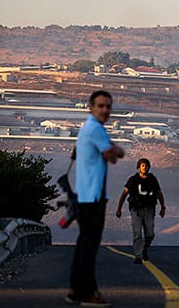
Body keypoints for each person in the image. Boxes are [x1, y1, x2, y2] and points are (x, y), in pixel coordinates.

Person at [66, 90, 125, 307]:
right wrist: (116, 149)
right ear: (91, 107)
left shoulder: (87, 128)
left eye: (108, 106)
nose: (105, 110)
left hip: (85, 195)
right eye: (100, 106)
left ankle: (75, 289)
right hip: (93, 198)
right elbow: (114, 156)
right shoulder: (95, 129)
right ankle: (88, 293)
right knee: (90, 247)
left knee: (83, 245)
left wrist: (113, 151)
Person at [116, 157, 165, 264]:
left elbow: (159, 193)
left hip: (149, 209)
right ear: (139, 167)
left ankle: (144, 250)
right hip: (136, 210)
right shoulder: (133, 180)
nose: (145, 167)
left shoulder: (152, 179)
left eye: (146, 165)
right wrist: (119, 209)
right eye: (142, 165)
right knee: (137, 233)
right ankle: (138, 256)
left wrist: (163, 207)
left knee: (150, 234)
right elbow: (124, 194)